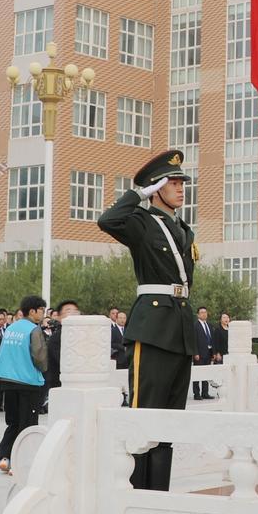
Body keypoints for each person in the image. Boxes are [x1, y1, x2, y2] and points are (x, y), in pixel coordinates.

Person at [98, 148, 198, 492]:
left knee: (170, 422)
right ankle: (138, 496)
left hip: (179, 327)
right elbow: (107, 221)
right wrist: (138, 194)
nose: (181, 188)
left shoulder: (183, 229)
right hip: (153, 327)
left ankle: (159, 497)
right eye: (172, 183)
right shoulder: (142, 223)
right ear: (156, 188)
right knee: (144, 419)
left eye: (182, 182)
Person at [0, 295, 49, 475]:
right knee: (28, 424)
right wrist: (45, 368)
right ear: (32, 311)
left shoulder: (11, 328)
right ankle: (20, 462)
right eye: (42, 310)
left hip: (8, 382)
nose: (43, 314)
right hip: (27, 382)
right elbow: (40, 358)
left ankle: (5, 457)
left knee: (13, 422)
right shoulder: (34, 330)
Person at [192, 307, 215, 401]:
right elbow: (193, 341)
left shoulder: (209, 325)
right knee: (197, 374)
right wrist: (195, 353)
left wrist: (213, 353)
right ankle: (196, 394)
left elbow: (211, 339)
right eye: (201, 312)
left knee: (206, 374)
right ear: (198, 315)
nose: (204, 314)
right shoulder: (195, 326)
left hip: (208, 353)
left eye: (205, 312)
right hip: (199, 354)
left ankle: (205, 393)